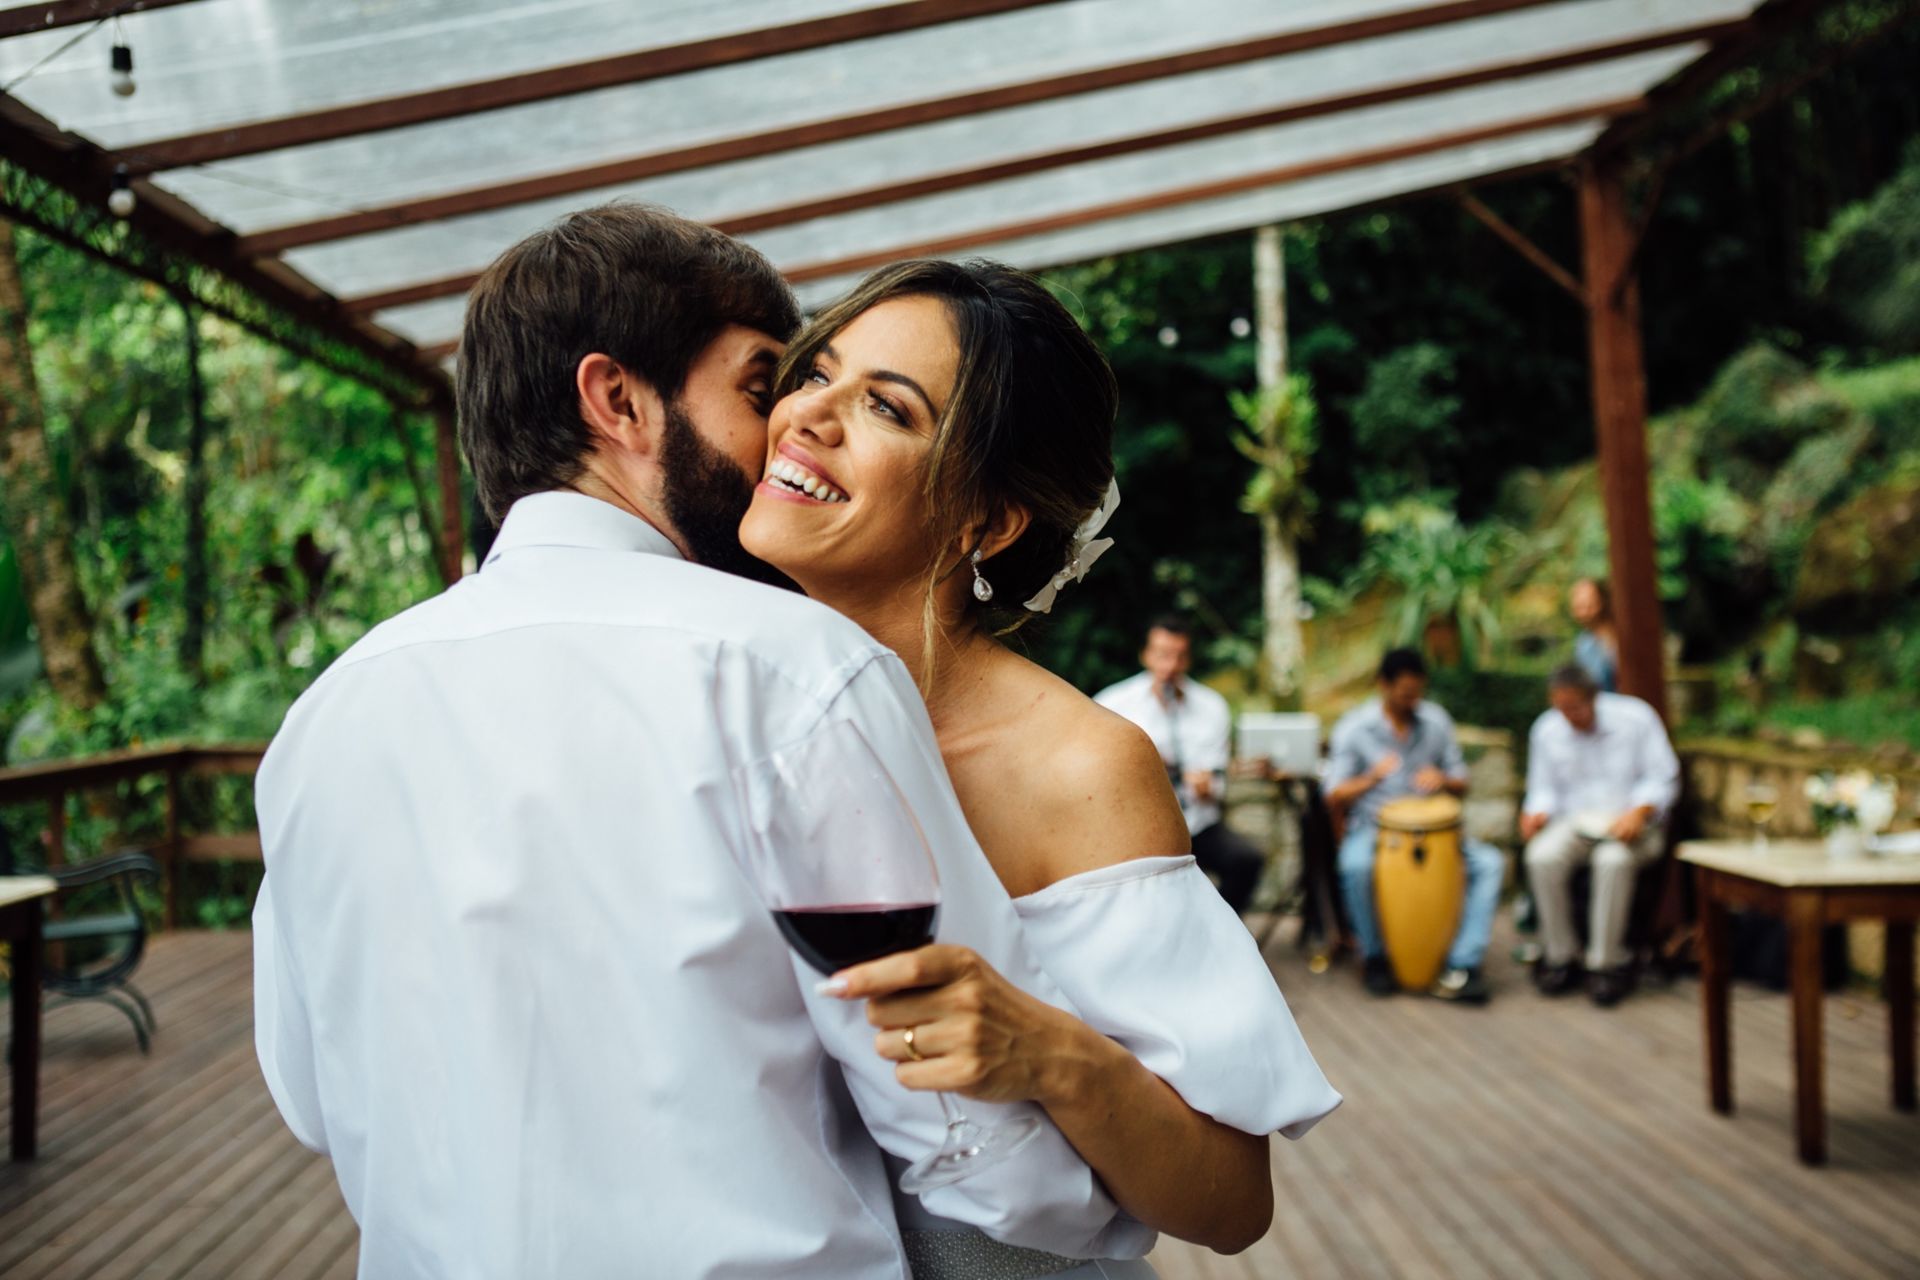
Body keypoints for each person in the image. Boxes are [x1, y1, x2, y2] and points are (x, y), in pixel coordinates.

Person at [253, 208, 1155, 1278]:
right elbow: (969, 1132)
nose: (785, 429)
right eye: (762, 385)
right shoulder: (791, 667)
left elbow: (312, 1096)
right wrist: (1105, 1219)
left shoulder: (326, 715)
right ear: (619, 400)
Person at [739, 258, 1340, 1277]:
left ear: (987, 520)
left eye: (887, 407)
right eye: (814, 373)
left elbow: (1233, 1200)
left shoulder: (1079, 765)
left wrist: (1044, 1050)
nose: (808, 415)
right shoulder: (716, 698)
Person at [1324, 649, 1506, 1004]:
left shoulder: (1436, 722)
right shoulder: (1355, 728)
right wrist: (1371, 778)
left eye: (1418, 692)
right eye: (1406, 693)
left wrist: (1443, 779)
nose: (1413, 701)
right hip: (1375, 827)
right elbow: (1333, 794)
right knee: (1355, 866)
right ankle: (1375, 957)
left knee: (1490, 864)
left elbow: (1462, 782)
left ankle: (1462, 964)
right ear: (1384, 686)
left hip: (1437, 832)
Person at [1520, 663, 1680, 1007]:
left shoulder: (1636, 719)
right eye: (1561, 709)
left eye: (1575, 708)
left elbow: (1663, 778)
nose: (1569, 717)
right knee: (1540, 856)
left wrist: (1639, 811)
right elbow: (1542, 789)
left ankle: (1606, 964)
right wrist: (1535, 813)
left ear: (1594, 698)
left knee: (1613, 861)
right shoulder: (1546, 730)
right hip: (1575, 823)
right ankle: (1560, 956)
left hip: (1632, 825)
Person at [1092, 616, 1266, 914]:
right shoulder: (1113, 703)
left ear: (1189, 659)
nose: (1170, 666)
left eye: (1179, 656)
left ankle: (1213, 926)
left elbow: (1217, 781)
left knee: (1246, 861)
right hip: (1136, 827)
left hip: (1197, 824)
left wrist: (1207, 788)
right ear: (1145, 654)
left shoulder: (1212, 706)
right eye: (1162, 655)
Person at [1569, 577, 1619, 693]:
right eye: (1578, 604)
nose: (1582, 609)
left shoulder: (1618, 636)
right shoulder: (1584, 642)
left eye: (1587, 603)